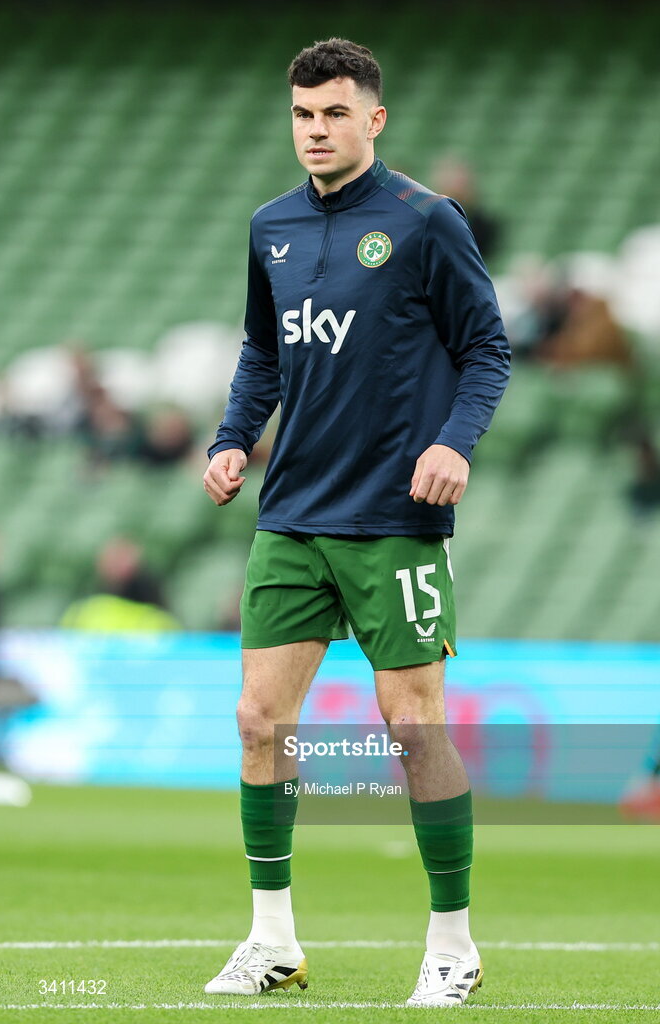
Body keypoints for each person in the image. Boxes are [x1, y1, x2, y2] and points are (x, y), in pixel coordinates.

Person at [203, 38, 510, 1008]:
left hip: (393, 517)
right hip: (290, 511)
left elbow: (487, 348)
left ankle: (454, 943)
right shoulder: (271, 227)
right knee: (259, 720)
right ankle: (272, 941)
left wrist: (455, 441)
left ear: (373, 118)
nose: (316, 131)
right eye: (302, 115)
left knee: (411, 725)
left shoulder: (426, 222)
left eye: (335, 113)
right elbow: (264, 352)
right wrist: (230, 437)